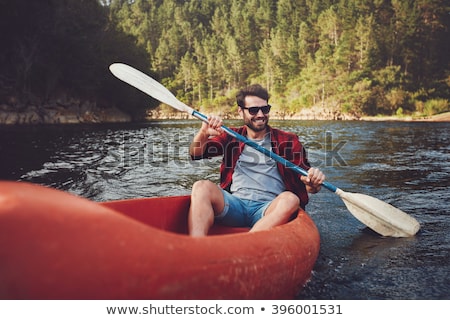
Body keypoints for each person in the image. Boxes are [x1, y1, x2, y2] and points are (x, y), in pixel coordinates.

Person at [188, 84, 325, 237]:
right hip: (235, 205)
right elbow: (196, 153)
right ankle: (196, 244)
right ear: (241, 111)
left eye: (265, 109)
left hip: (268, 210)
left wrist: (313, 183)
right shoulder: (231, 135)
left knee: (291, 199)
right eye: (253, 110)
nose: (260, 114)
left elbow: (308, 185)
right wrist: (203, 133)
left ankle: (247, 243)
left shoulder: (288, 140)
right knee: (201, 186)